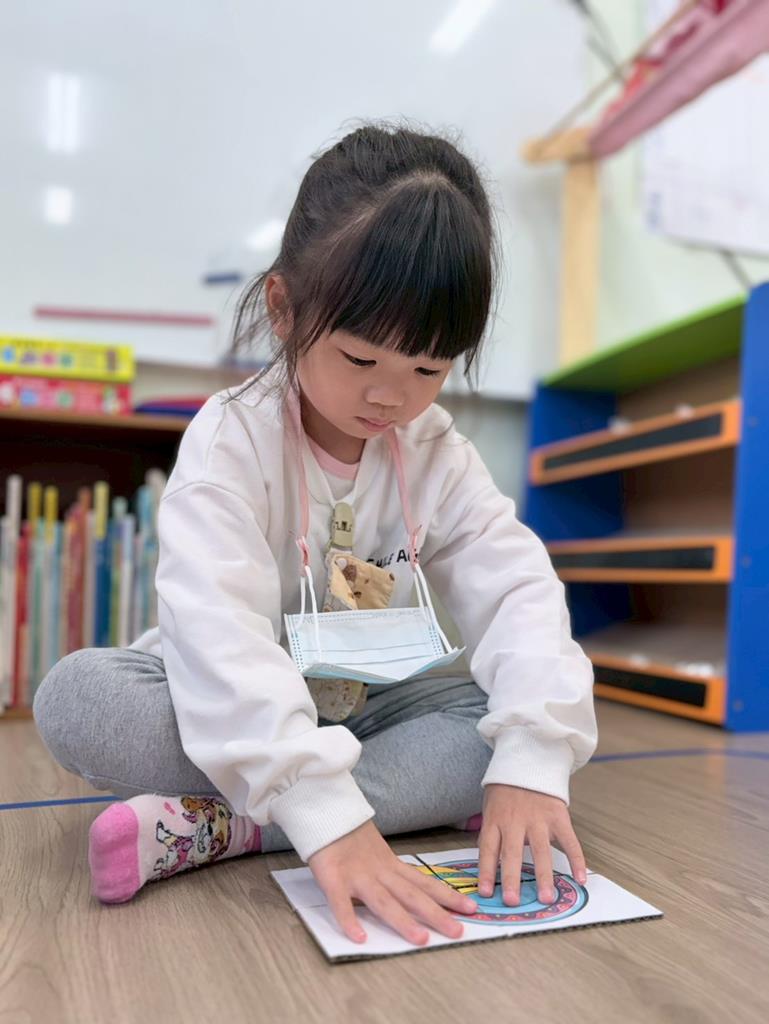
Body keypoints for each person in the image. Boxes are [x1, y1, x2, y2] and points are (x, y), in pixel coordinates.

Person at [33, 121, 597, 948]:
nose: (391, 398)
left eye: (428, 369)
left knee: (511, 728)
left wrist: (532, 759)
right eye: (361, 360)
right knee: (80, 697)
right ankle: (314, 811)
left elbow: (517, 590)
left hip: (367, 707)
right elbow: (219, 638)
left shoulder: (436, 451)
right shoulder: (231, 441)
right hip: (235, 704)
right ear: (283, 308)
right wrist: (322, 805)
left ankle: (228, 826)